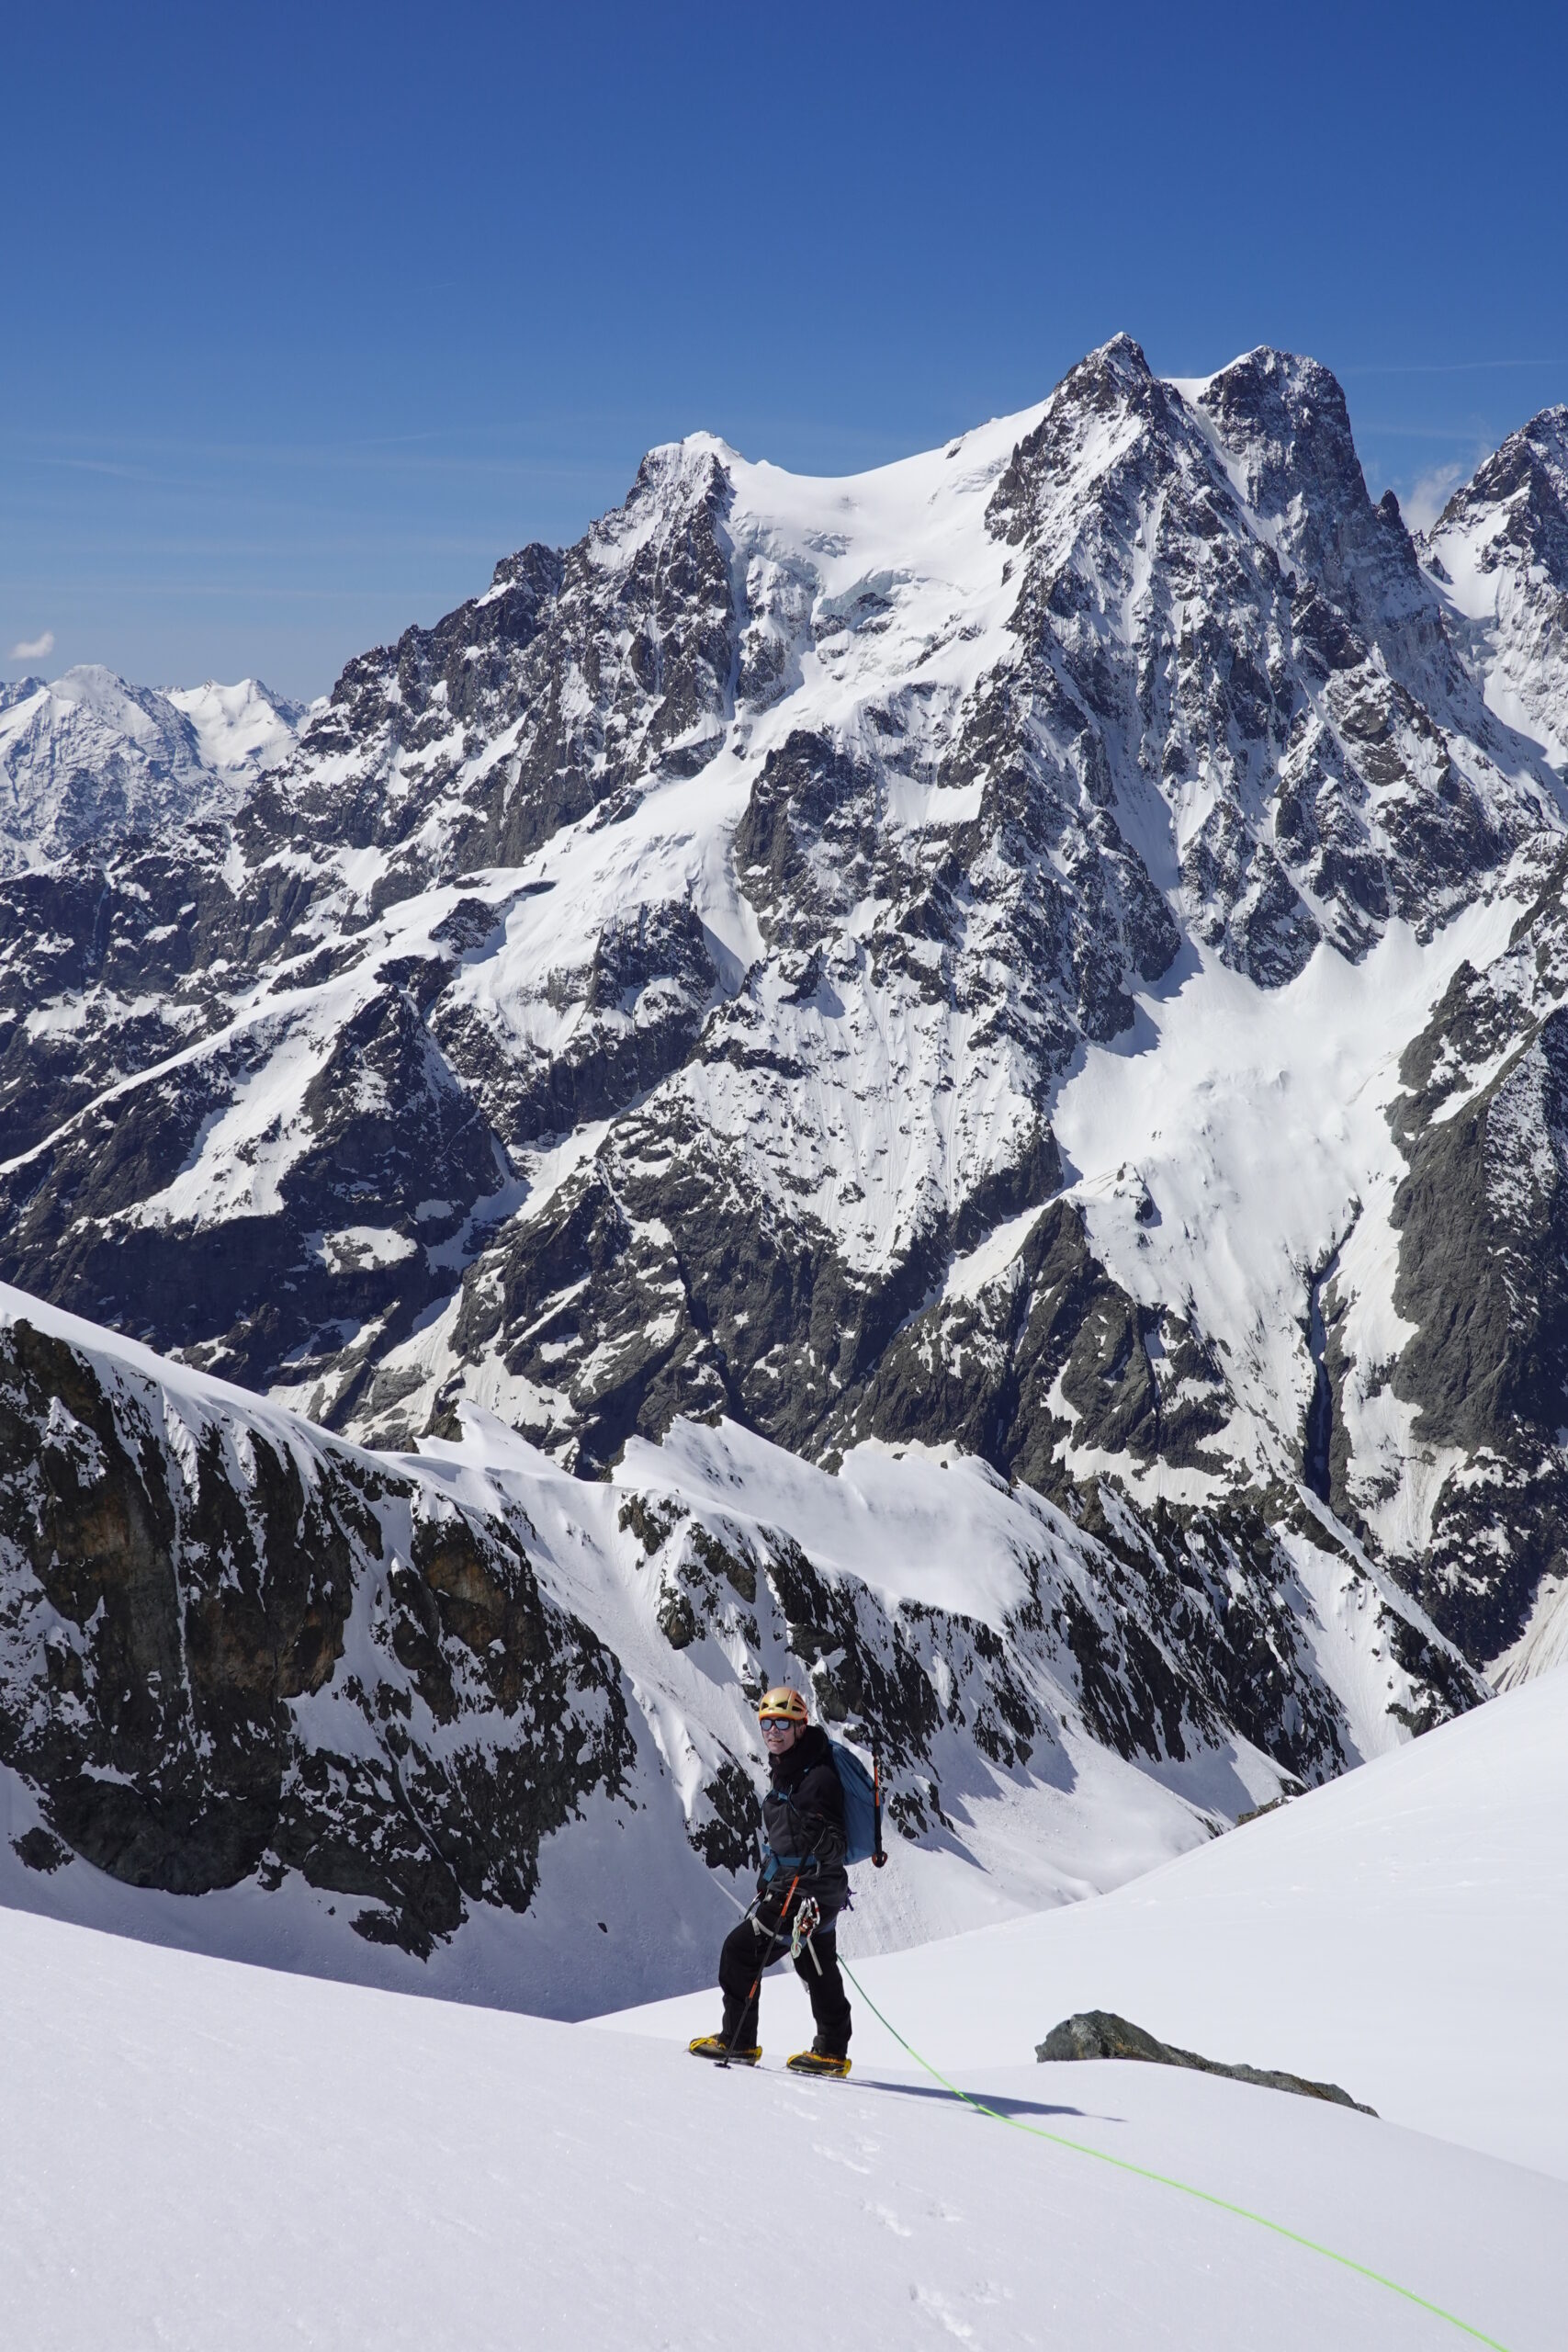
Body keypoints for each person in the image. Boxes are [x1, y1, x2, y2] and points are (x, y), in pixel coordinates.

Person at [689, 1685, 853, 2075]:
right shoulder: (796, 1768)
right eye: (767, 1724)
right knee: (816, 1964)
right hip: (812, 1891)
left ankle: (740, 2041)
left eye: (782, 1723)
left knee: (740, 1953)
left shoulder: (818, 1779)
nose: (774, 1732)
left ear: (800, 1726)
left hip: (806, 1894)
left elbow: (835, 1842)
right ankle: (830, 2050)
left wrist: (821, 1840)